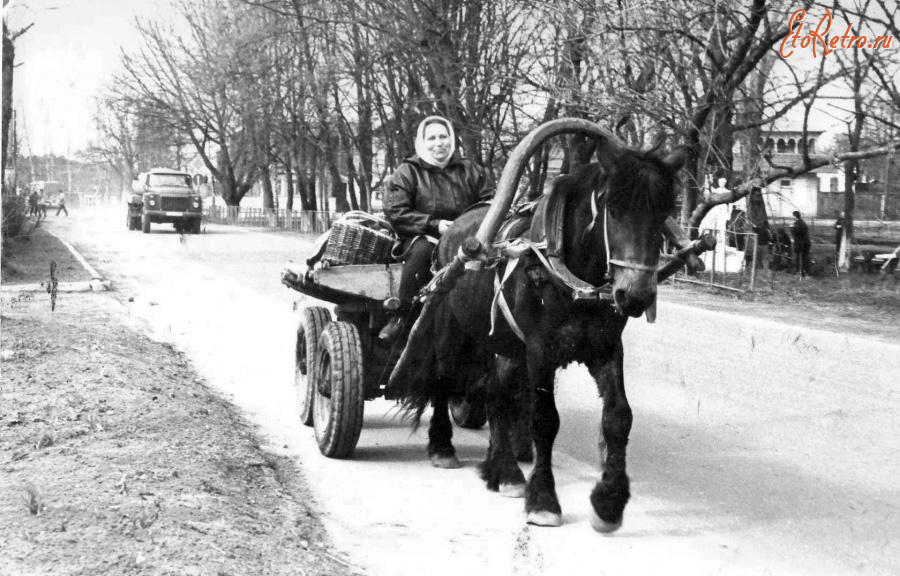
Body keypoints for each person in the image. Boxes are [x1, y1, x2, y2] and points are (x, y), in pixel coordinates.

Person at [379, 116, 494, 341]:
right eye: (431, 138)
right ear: (422, 142)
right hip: (422, 237)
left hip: (469, 238)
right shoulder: (407, 172)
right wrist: (435, 225)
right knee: (422, 251)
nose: (438, 143)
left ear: (452, 139)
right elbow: (396, 211)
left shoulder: (471, 170)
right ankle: (401, 316)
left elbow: (490, 201)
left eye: (443, 136)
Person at [790, 210, 811, 277]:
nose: (792, 217)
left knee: (802, 258)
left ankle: (803, 272)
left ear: (795, 216)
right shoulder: (800, 223)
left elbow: (796, 234)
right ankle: (801, 272)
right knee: (801, 258)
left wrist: (791, 227)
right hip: (803, 243)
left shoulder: (798, 224)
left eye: (792, 215)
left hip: (802, 244)